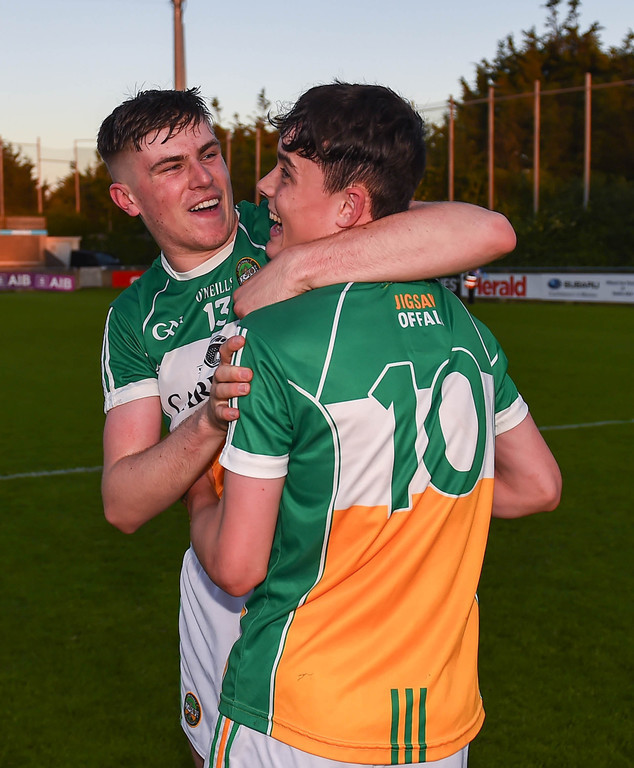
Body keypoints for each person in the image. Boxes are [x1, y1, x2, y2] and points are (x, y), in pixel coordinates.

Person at [97, 87, 517, 766]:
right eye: (170, 167)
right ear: (129, 199)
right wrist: (208, 423)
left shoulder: (288, 228)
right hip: (221, 581)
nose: (203, 177)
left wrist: (299, 267)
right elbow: (123, 502)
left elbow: (488, 231)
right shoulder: (135, 319)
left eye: (209, 153)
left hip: (330, 579)